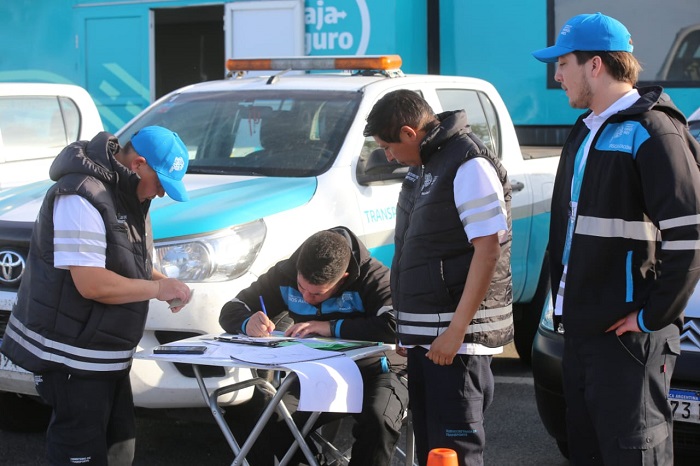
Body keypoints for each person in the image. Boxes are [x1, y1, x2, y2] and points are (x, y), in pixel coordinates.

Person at [532, 12, 700, 465]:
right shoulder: (586, 131)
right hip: (582, 336)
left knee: (634, 455)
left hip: (628, 343)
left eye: (563, 62)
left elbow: (689, 237)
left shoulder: (654, 131)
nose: (557, 74)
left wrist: (651, 316)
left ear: (596, 65)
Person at [0, 126, 193, 465]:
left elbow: (126, 262)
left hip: (106, 357)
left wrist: (167, 284)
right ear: (138, 164)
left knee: (120, 454)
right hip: (73, 359)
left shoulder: (127, 194)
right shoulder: (81, 195)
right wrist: (158, 288)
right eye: (161, 184)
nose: (161, 194)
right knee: (81, 455)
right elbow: (91, 283)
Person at [363, 90, 514, 466]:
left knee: (454, 454)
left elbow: (488, 250)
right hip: (428, 340)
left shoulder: (468, 164)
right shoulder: (428, 164)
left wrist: (456, 332)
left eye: (388, 146)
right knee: (433, 451)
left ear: (410, 132)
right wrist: (409, 330)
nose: (388, 156)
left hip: (455, 344)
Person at [219, 226, 408, 466]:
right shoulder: (284, 272)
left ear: (343, 279)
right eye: (301, 288)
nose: (307, 297)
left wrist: (329, 327)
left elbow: (397, 324)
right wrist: (247, 323)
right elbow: (231, 308)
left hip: (380, 371)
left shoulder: (374, 277)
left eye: (317, 294)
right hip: (319, 373)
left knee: (378, 421)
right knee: (276, 420)